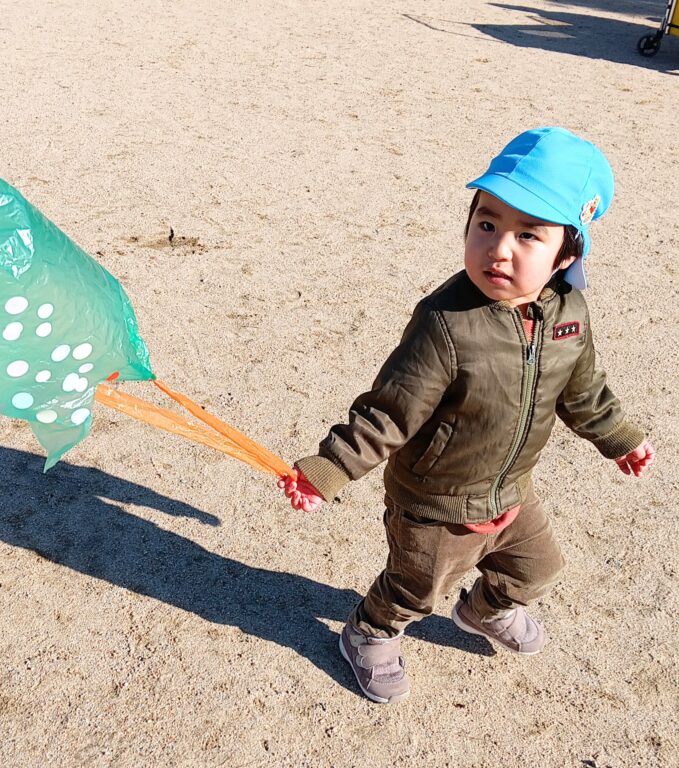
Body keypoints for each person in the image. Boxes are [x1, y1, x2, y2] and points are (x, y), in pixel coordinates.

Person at [278, 127, 655, 704]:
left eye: (528, 234)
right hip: (435, 502)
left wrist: (620, 438)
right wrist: (330, 467)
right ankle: (369, 632)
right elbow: (388, 411)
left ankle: (483, 610)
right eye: (487, 223)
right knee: (414, 590)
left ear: (568, 253)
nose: (499, 248)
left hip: (511, 493)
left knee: (537, 569)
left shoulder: (568, 315)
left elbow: (584, 391)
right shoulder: (446, 321)